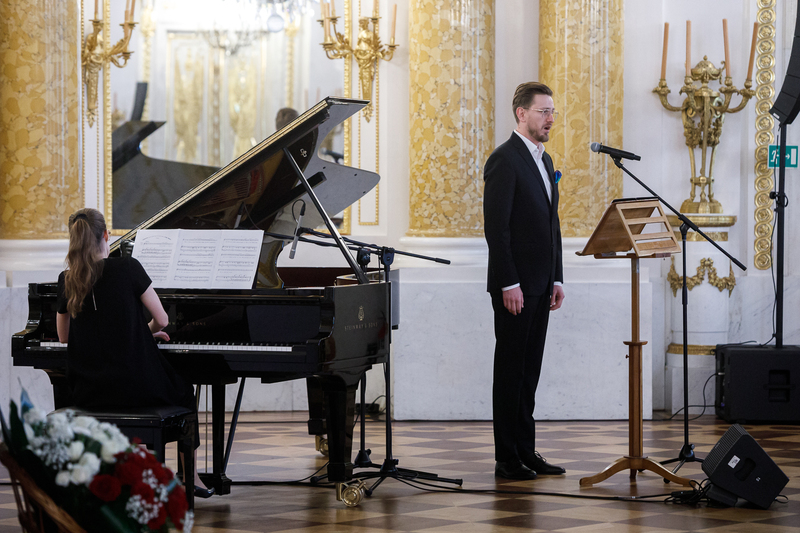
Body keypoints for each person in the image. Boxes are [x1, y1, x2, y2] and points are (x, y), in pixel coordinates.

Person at [56, 208, 213, 498]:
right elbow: (162, 320)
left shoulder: (67, 279)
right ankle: (190, 477)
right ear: (106, 235)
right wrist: (145, 331)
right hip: (136, 389)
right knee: (184, 392)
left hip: (88, 391)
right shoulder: (128, 267)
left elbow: (64, 337)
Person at [483, 82, 567, 480]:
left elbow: (552, 226)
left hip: (541, 284)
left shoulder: (545, 160)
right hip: (515, 288)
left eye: (552, 112)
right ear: (521, 114)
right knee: (511, 372)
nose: (550, 119)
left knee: (529, 372)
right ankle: (506, 458)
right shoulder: (505, 160)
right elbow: (496, 230)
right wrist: (508, 283)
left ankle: (527, 451)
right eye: (543, 111)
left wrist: (557, 277)